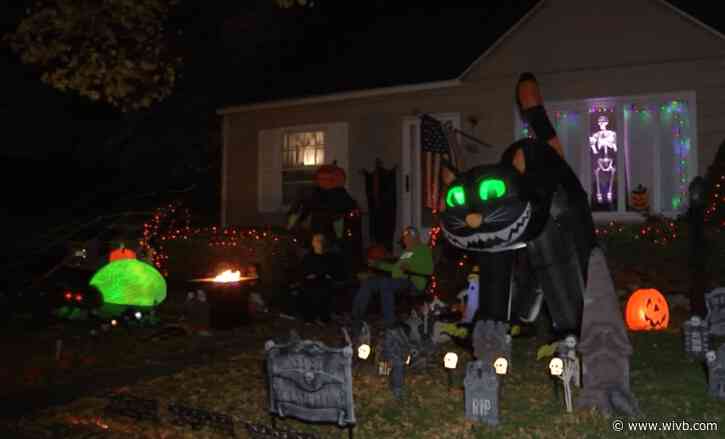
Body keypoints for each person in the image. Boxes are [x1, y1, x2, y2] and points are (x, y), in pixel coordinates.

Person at [352, 226, 433, 338]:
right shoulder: (407, 252)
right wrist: (377, 264)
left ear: (413, 237)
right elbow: (395, 268)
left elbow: (429, 270)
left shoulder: (423, 250)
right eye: (404, 239)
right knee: (368, 282)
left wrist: (411, 267)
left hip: (413, 282)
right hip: (398, 281)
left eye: (406, 238)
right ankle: (356, 317)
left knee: (386, 283)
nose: (404, 241)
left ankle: (389, 322)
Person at [299, 233, 340, 325]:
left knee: (324, 289)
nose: (316, 243)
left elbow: (332, 271)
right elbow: (304, 271)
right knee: (310, 290)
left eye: (318, 241)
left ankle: (323, 317)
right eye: (315, 240)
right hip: (311, 282)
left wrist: (321, 274)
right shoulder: (308, 257)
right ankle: (310, 318)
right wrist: (313, 275)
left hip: (324, 282)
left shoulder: (329, 256)